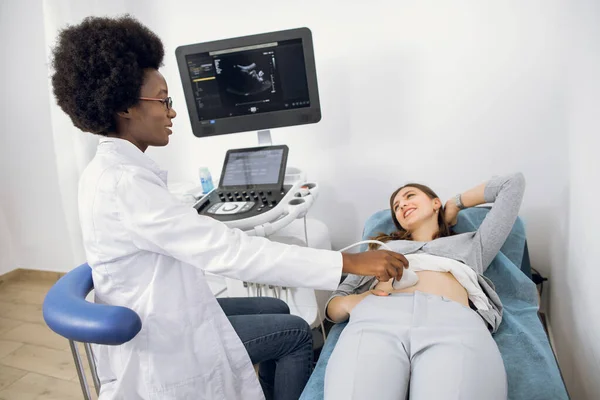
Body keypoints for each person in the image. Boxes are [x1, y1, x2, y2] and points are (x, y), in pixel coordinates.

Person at [50, 15, 408, 400]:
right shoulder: (125, 184)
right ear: (124, 107)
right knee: (296, 333)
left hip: (166, 305)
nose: (172, 112)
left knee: (275, 304)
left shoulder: (109, 170)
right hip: (162, 337)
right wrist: (347, 264)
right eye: (163, 99)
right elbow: (228, 251)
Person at [324, 173, 525, 400]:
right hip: (375, 319)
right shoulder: (381, 250)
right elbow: (334, 305)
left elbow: (512, 184)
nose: (402, 205)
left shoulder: (472, 244)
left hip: (454, 322)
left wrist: (455, 204)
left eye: (410, 196)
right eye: (396, 207)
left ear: (435, 203)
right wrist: (352, 302)